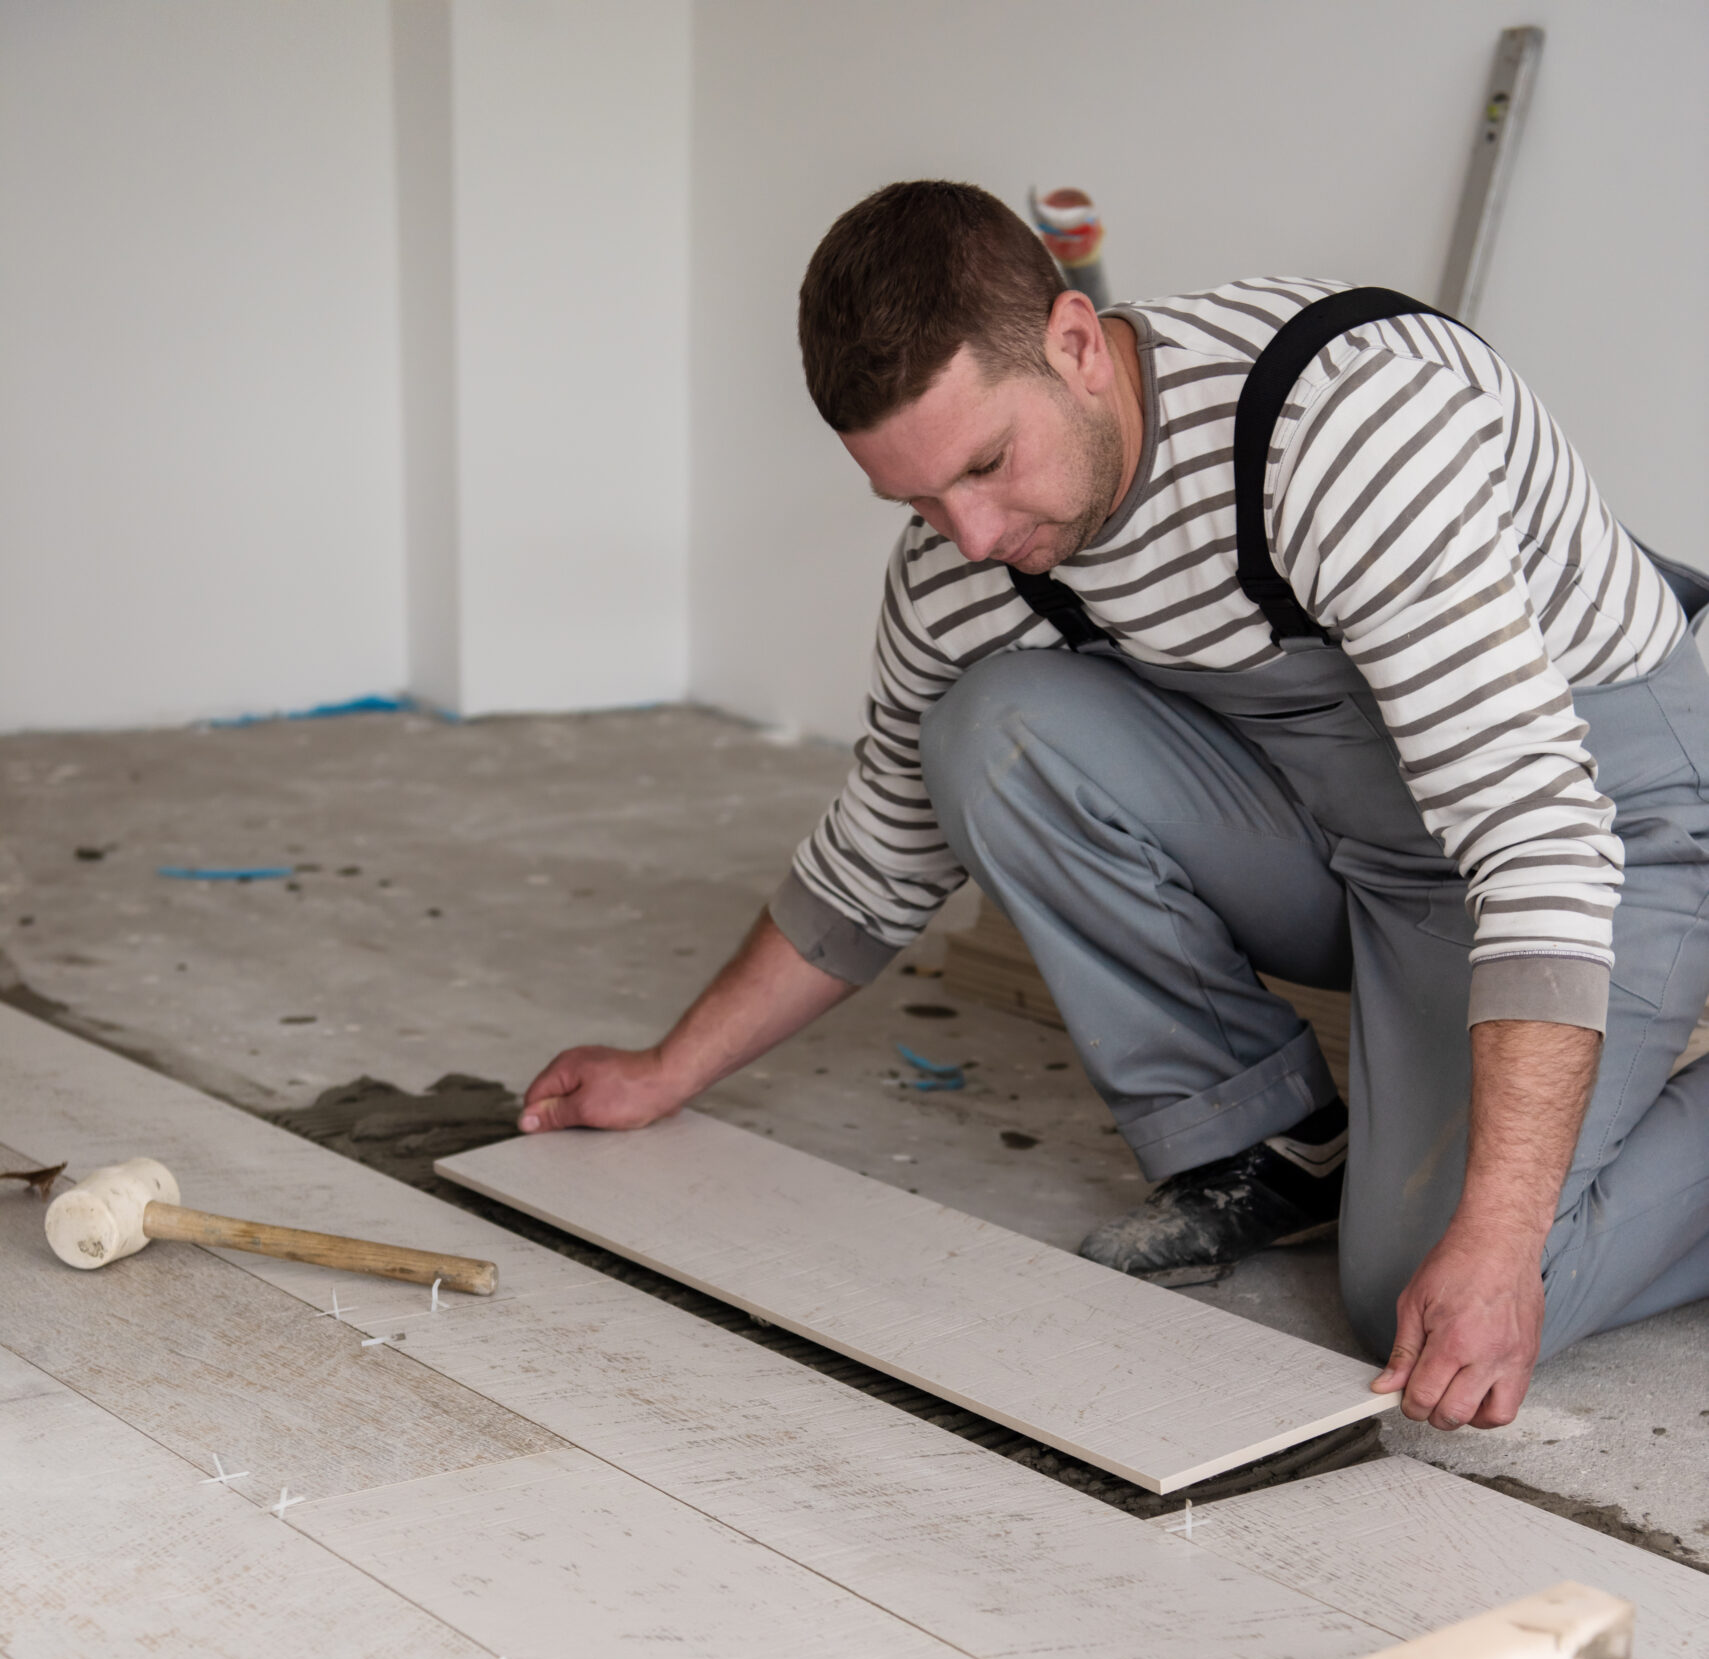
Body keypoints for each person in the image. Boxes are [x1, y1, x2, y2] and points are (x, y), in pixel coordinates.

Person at [521, 179, 1709, 1436]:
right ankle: (1266, 1144)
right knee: (989, 728)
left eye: (986, 464)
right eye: (917, 500)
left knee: (1442, 1289)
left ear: (1078, 343)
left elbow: (1533, 841)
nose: (967, 534)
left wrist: (1494, 1242)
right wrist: (664, 1072)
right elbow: (882, 843)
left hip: (1603, 821)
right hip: (1371, 839)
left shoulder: (1339, 428)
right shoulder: (971, 561)